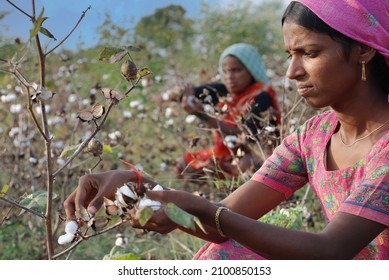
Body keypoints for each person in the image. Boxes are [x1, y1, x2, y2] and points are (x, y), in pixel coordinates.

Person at [64, 0, 389, 259]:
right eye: (290, 54)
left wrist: (198, 207)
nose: (292, 72)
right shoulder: (313, 136)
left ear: (364, 49)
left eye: (310, 53)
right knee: (228, 252)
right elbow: (222, 223)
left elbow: (331, 251)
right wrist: (141, 189)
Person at [175, 43, 280, 179]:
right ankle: (209, 196)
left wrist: (204, 116)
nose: (229, 77)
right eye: (225, 71)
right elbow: (187, 92)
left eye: (236, 70)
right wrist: (176, 94)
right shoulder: (222, 91)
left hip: (256, 153)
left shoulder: (262, 96)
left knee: (246, 165)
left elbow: (247, 136)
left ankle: (241, 196)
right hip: (226, 153)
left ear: (251, 69)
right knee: (183, 164)